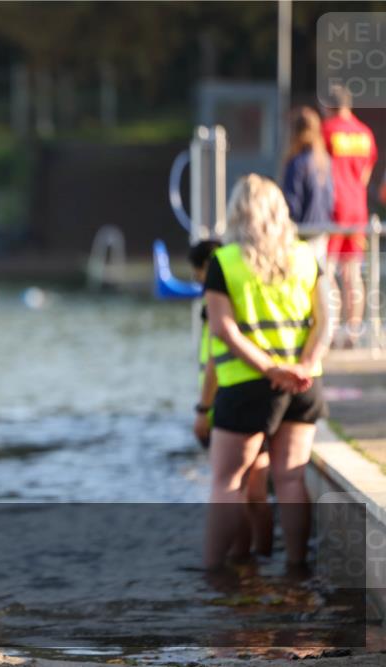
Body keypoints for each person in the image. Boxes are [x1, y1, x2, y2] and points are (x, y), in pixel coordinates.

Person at [202, 174, 330, 572]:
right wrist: (304, 366)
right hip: (304, 386)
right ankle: (295, 568)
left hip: (247, 385)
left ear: (237, 212)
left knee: (228, 482)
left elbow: (223, 328)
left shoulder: (225, 261)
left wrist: (271, 368)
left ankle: (212, 573)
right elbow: (325, 322)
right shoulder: (307, 256)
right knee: (291, 480)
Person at [190, 239, 273, 559]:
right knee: (256, 492)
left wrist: (203, 409)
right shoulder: (249, 292)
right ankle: (263, 557)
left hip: (230, 398)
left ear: (204, 270)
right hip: (262, 395)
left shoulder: (217, 303)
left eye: (198, 274)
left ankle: (236, 563)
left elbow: (213, 360)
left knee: (232, 488)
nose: (198, 282)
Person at [321, 85, 377, 347]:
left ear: (327, 106)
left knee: (328, 270)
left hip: (334, 210)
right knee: (353, 273)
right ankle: (353, 332)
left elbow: (318, 170)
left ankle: (330, 331)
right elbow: (365, 176)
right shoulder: (365, 133)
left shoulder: (326, 131)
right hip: (358, 209)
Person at [282, 106, 334, 268]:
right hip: (321, 232)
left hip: (302, 235)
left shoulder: (297, 163)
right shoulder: (324, 161)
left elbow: (292, 203)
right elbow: (330, 200)